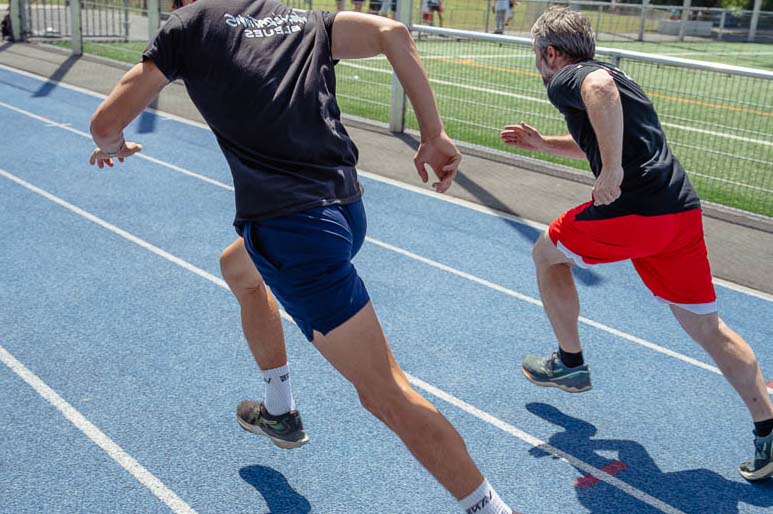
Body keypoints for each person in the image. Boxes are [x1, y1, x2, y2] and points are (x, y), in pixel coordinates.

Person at [88, 0, 518, 512]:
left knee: (385, 394)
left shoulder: (189, 25)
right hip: (345, 212)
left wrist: (111, 145)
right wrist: (433, 134)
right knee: (238, 269)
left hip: (292, 231)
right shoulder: (302, 19)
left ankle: (490, 508)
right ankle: (280, 410)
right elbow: (394, 33)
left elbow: (105, 123)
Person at [499, 6, 773, 482]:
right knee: (708, 328)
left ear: (551, 52)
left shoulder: (572, 76)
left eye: (537, 54)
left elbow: (598, 92)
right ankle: (768, 427)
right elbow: (605, 129)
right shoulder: (618, 76)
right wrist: (545, 144)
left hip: (635, 210)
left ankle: (569, 362)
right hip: (679, 212)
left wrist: (611, 171)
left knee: (546, 254)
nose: (537, 63)